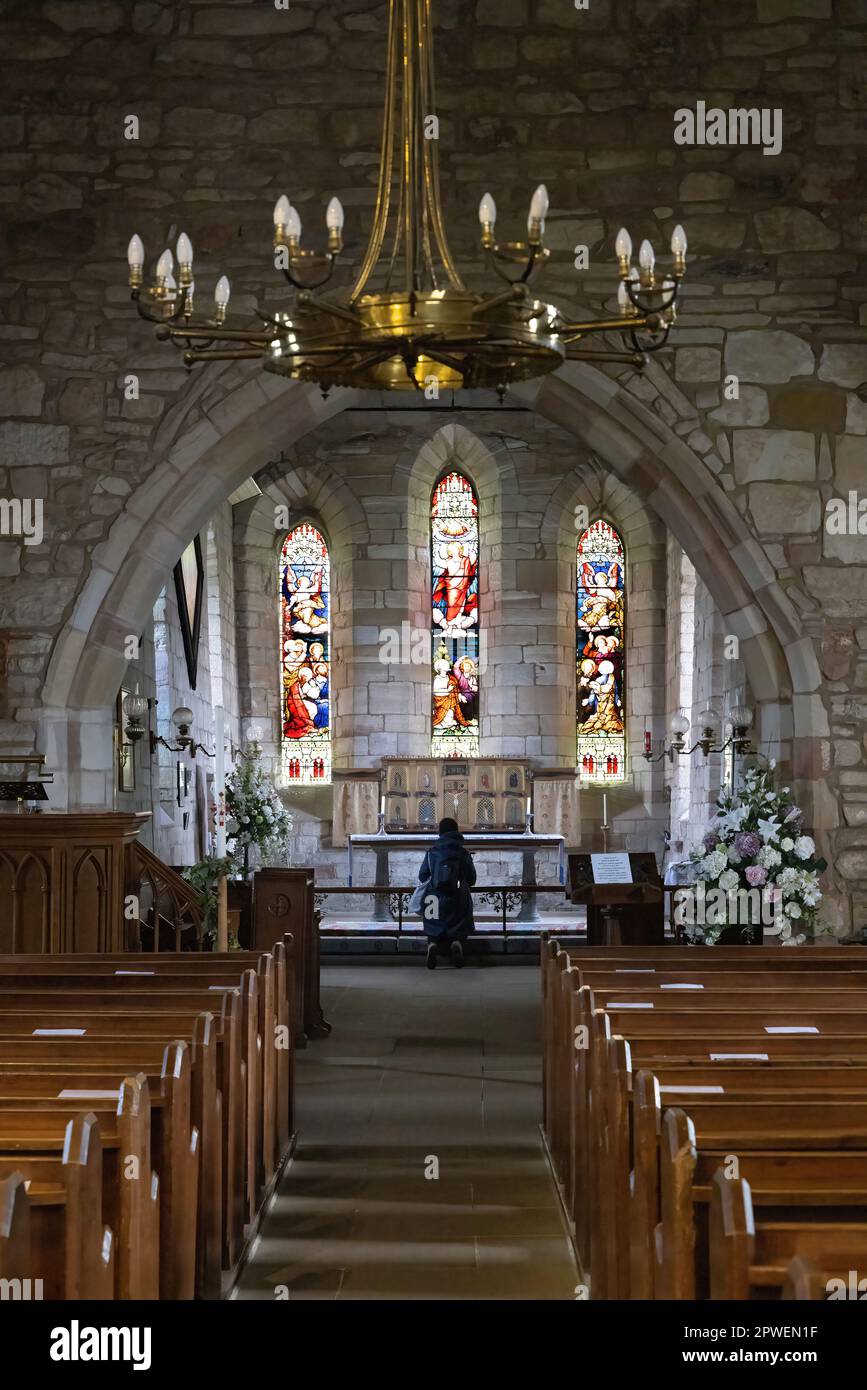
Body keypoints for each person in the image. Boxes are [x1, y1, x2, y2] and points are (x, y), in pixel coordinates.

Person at [417, 817, 476, 969]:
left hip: (433, 896)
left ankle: (432, 943)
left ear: (440, 832)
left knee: (432, 922)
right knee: (460, 920)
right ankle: (457, 942)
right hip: (457, 895)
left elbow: (423, 875)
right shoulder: (463, 852)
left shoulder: (432, 852)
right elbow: (472, 878)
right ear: (456, 831)